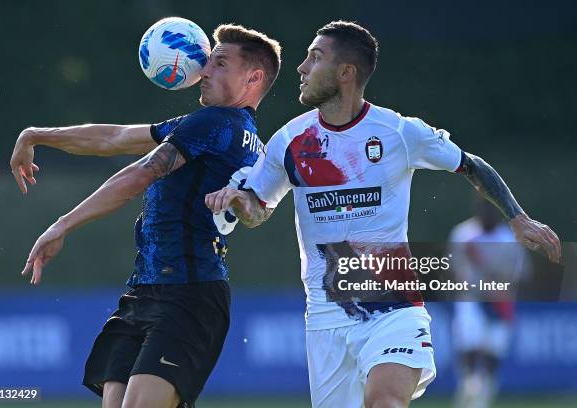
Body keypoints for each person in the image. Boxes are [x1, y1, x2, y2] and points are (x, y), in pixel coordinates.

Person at [205, 20, 561, 408]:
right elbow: (259, 211)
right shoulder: (290, 141)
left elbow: (470, 165)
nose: (301, 68)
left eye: (314, 57)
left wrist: (517, 218)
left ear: (345, 72)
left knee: (384, 402)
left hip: (394, 308)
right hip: (326, 318)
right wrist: (241, 203)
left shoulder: (398, 132)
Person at [10, 24, 281, 408]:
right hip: (148, 290)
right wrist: (36, 134)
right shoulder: (221, 128)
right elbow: (116, 137)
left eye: (219, 64)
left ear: (253, 78)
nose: (203, 72)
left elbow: (140, 173)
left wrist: (62, 224)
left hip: (188, 295)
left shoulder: (217, 123)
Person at [449, 199, 530, 408]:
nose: (486, 214)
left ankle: (484, 398)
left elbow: (520, 274)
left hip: (499, 302)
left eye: (491, 210)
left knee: (494, 352)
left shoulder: (509, 239)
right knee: (470, 345)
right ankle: (467, 390)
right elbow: (454, 269)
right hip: (471, 299)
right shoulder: (463, 234)